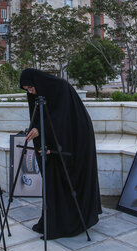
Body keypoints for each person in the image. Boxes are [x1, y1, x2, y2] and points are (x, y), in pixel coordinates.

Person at [20, 68, 101, 239]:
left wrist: (41, 129)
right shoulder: (40, 93)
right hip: (56, 142)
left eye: (31, 88)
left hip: (75, 141)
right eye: (27, 90)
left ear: (38, 82)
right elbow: (44, 118)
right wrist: (40, 135)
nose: (31, 92)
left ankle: (72, 221)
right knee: (53, 180)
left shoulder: (60, 88)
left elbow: (63, 121)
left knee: (69, 179)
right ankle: (54, 221)